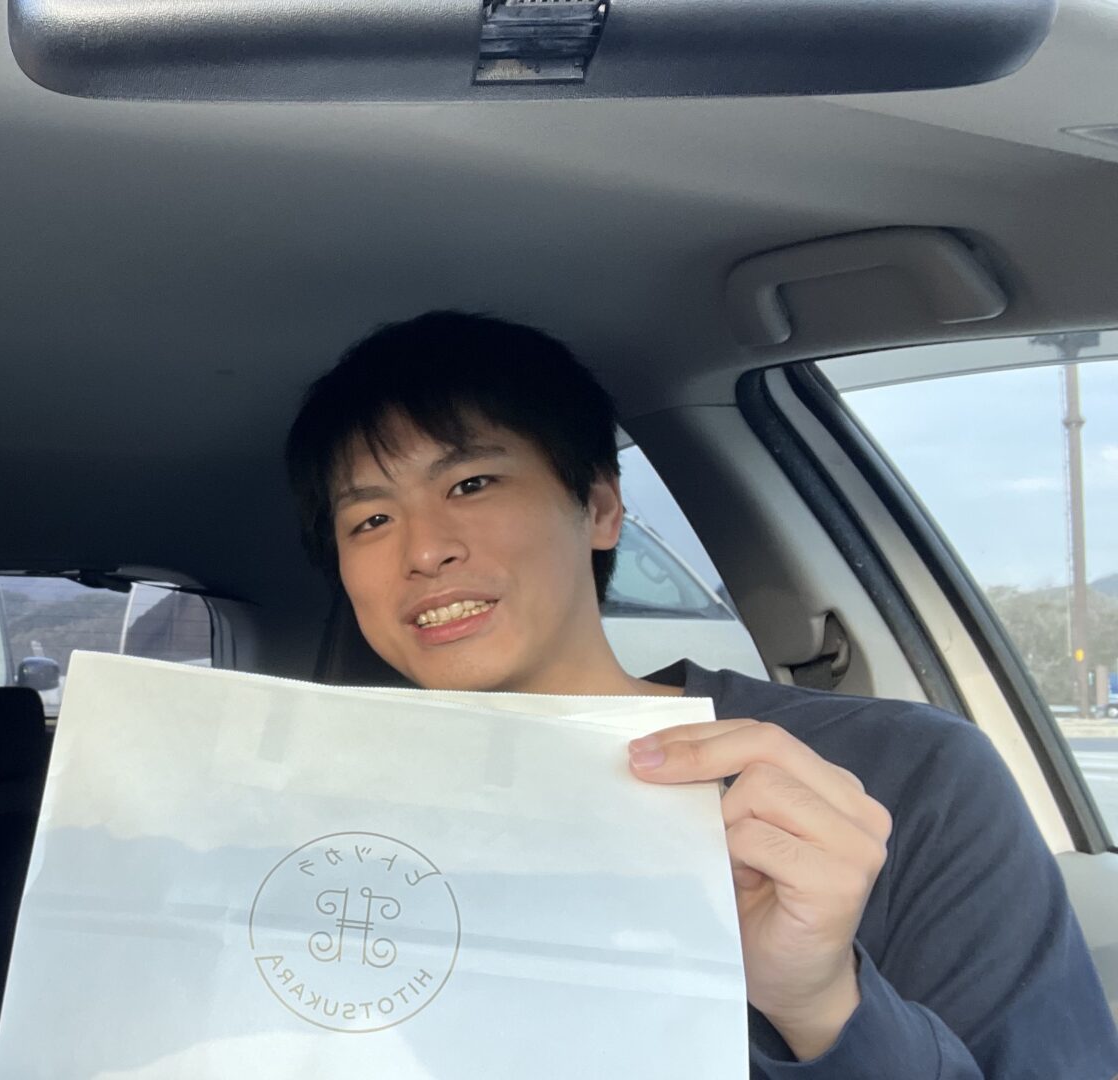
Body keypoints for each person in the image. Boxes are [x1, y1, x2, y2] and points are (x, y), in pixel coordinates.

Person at [283, 310, 1118, 1078]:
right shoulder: (303, 827)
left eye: (471, 484)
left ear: (600, 506)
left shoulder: (912, 776)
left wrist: (818, 1004)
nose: (424, 551)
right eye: (370, 520)